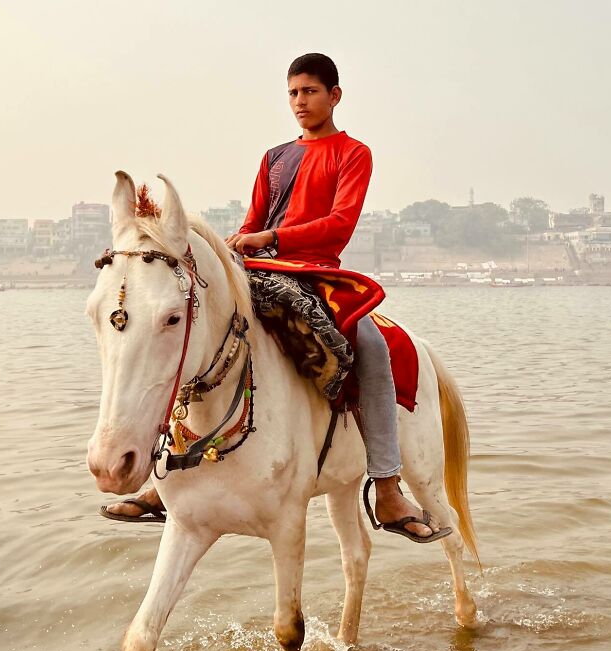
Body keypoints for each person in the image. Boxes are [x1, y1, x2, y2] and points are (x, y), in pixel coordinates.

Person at [104, 53, 445, 542]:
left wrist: (273, 240)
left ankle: (388, 486)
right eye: (292, 93)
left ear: (335, 96)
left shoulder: (353, 153)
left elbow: (340, 224)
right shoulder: (274, 157)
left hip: (316, 273)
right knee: (189, 332)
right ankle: (165, 470)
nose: (300, 102)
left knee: (370, 346)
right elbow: (253, 220)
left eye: (309, 92)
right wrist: (237, 244)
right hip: (259, 268)